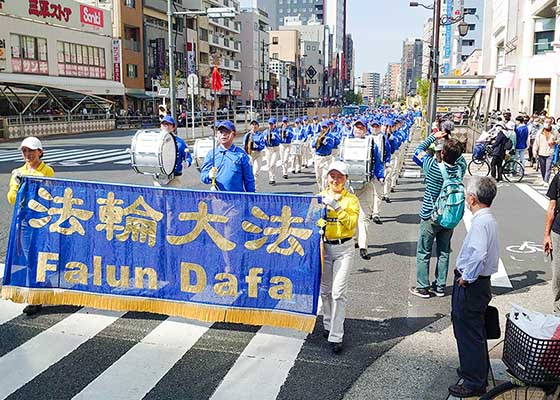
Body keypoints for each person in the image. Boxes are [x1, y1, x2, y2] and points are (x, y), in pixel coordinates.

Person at [448, 176, 499, 398]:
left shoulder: (480, 222)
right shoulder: (488, 220)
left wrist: (466, 277)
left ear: (472, 198)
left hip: (472, 284)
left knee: (468, 331)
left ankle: (474, 381)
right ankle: (475, 370)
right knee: (474, 330)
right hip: (480, 284)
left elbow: (478, 254)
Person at [410, 133, 466, 298]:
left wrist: (434, 137)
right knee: (444, 252)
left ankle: (422, 287)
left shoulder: (432, 167)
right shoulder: (460, 169)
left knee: (424, 252)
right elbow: (460, 158)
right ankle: (440, 286)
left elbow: (418, 151)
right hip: (449, 217)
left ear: (442, 153)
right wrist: (453, 143)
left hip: (430, 216)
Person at [7, 136, 55, 316]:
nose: (27, 154)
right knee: (30, 258)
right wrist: (18, 186)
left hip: (42, 221)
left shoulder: (47, 171)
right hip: (25, 222)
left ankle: (37, 294)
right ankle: (38, 292)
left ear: (40, 152)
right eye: (24, 151)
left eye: (31, 151)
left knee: (38, 257)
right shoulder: (17, 172)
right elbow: (12, 199)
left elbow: (49, 194)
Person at [319, 161, 360, 354]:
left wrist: (336, 207)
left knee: (338, 292)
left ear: (345, 179)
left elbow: (351, 224)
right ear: (327, 177)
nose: (335, 180)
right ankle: (328, 324)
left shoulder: (351, 200)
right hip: (324, 248)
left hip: (344, 248)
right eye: (332, 176)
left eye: (340, 177)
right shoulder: (320, 197)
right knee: (325, 291)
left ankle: (337, 335)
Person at [350, 118, 384, 260]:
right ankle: (352, 241)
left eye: (361, 127)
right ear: (353, 129)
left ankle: (363, 246)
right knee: (350, 215)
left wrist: (380, 175)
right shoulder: (347, 143)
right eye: (356, 127)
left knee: (364, 216)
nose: (358, 130)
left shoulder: (371, 144)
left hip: (366, 184)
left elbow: (377, 161)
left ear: (365, 130)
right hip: (350, 184)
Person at [200, 120, 255, 192]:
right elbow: (203, 176)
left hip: (237, 198)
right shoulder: (212, 154)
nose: (223, 135)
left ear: (234, 134)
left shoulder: (241, 155)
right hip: (218, 198)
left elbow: (249, 179)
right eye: (221, 132)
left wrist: (252, 198)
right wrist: (209, 175)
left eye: (227, 132)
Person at [154, 115, 192, 187]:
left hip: (175, 177)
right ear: (160, 126)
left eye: (169, 124)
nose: (166, 126)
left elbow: (188, 157)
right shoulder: (155, 141)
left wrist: (187, 163)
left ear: (173, 127)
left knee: (174, 198)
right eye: (164, 124)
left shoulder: (180, 142)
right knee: (158, 198)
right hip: (158, 177)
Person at [543, 172, 560, 316]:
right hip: (558, 232)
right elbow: (552, 207)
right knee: (558, 273)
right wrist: (546, 235)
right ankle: (558, 311)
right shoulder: (558, 177)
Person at [533, 117, 558, 186]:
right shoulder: (540, 132)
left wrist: (554, 142)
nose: (548, 124)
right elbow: (536, 142)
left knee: (548, 167)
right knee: (542, 168)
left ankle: (546, 181)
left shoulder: (554, 131)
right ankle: (544, 179)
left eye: (549, 122)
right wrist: (534, 151)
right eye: (546, 122)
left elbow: (559, 139)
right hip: (541, 152)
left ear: (551, 123)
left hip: (550, 151)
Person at [312, 121, 335, 190]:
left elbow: (331, 147)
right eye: (323, 127)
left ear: (328, 128)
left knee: (325, 177)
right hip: (318, 157)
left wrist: (325, 142)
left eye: (325, 127)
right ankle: (321, 189)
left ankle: (324, 194)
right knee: (318, 177)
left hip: (327, 158)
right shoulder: (317, 135)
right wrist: (318, 140)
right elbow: (313, 145)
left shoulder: (330, 136)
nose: (324, 129)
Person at [243, 119, 266, 191]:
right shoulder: (247, 135)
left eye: (255, 124)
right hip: (249, 154)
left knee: (255, 172)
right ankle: (249, 189)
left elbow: (263, 145)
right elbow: (244, 145)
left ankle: (256, 189)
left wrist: (257, 146)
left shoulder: (260, 135)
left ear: (258, 126)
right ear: (250, 126)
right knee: (248, 173)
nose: (254, 126)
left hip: (257, 154)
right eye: (252, 124)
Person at [263, 118, 281, 185]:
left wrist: (275, 137)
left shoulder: (277, 131)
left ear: (274, 124)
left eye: (272, 124)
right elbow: (262, 140)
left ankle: (273, 177)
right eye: (269, 124)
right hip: (268, 149)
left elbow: (280, 140)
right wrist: (264, 139)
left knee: (272, 164)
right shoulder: (265, 131)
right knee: (268, 164)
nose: (270, 125)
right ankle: (271, 178)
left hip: (275, 149)